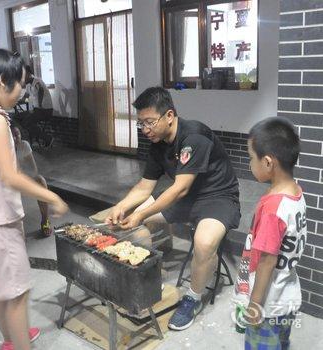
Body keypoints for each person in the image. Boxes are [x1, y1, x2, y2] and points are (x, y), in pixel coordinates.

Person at [105, 87, 241, 330]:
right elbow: (144, 187)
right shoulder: (157, 144)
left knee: (204, 243)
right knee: (135, 224)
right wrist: (121, 206)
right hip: (187, 197)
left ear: (169, 115)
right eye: (141, 123)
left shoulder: (194, 136)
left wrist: (140, 213)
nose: (145, 129)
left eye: (149, 122)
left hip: (218, 197)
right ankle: (152, 276)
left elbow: (179, 189)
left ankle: (193, 298)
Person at [0, 48, 68, 350]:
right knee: (17, 292)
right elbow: (9, 176)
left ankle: (10, 339)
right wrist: (50, 194)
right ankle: (17, 343)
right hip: (0, 216)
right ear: (3, 80)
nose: (23, 92)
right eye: (21, 84)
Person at [233, 118, 306, 349]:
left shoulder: (273, 210)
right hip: (288, 294)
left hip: (269, 303)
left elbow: (266, 261)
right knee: (281, 344)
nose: (249, 164)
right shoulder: (296, 194)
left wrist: (255, 305)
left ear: (267, 162)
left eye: (251, 158)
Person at [12, 126, 52, 237]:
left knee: (40, 180)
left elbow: (33, 169)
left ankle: (45, 220)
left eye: (17, 134)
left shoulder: (24, 145)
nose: (16, 138)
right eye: (13, 135)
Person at [16, 65, 53, 147]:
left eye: (23, 76)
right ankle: (39, 137)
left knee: (27, 122)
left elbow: (41, 90)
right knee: (23, 118)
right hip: (38, 110)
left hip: (45, 110)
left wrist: (39, 105)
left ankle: (46, 138)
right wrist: (16, 101)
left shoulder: (37, 81)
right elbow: (26, 96)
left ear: (28, 74)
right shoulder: (29, 85)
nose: (22, 79)